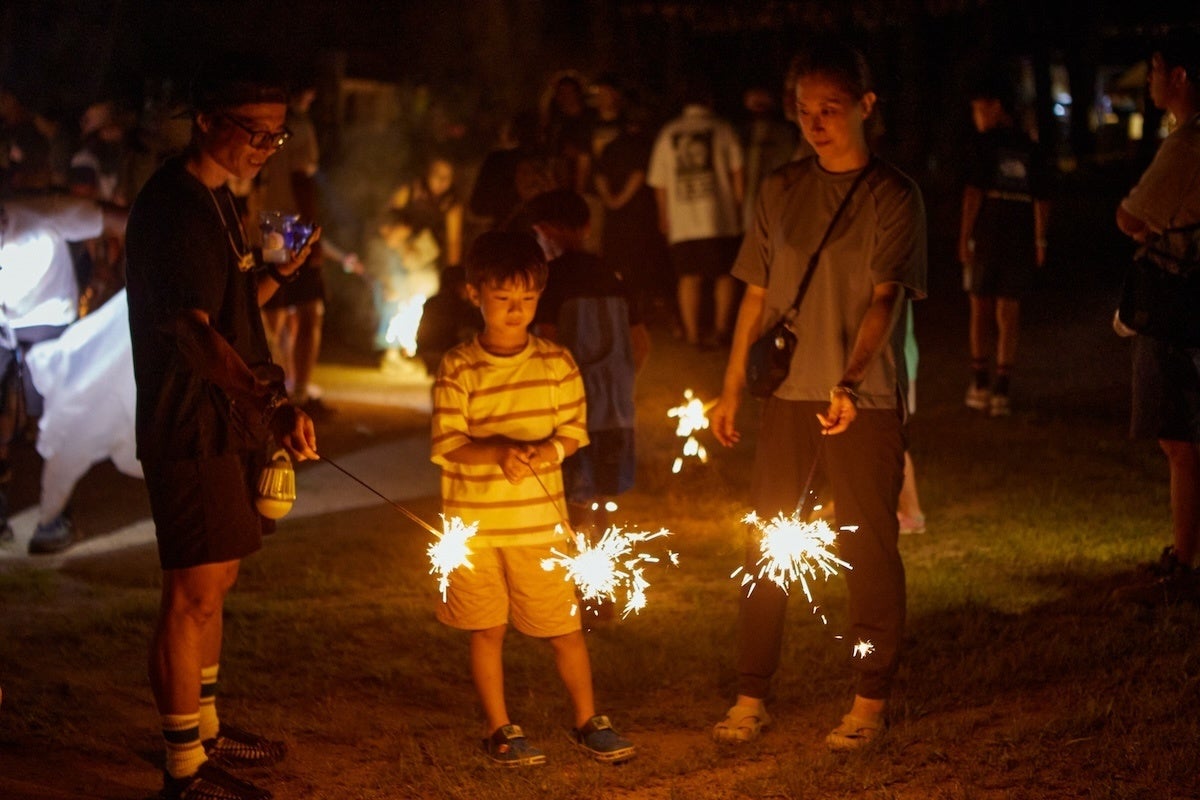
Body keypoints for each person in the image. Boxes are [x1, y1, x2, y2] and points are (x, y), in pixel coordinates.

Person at [709, 40, 926, 751]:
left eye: (831, 108)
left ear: (866, 106)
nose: (816, 123)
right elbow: (757, 294)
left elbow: (885, 297)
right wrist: (731, 388)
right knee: (768, 543)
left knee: (867, 546)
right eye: (805, 110)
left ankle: (869, 699)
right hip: (789, 396)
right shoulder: (781, 189)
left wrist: (851, 380)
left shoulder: (894, 195)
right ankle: (751, 693)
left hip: (864, 400)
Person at [124, 59, 320, 800]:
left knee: (219, 582)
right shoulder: (174, 207)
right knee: (191, 594)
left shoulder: (219, 200)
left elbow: (230, 311)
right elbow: (193, 335)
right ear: (205, 120)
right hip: (190, 424)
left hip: (228, 421)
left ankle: (206, 730)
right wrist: (271, 404)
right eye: (254, 132)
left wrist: (280, 275)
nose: (266, 148)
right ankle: (184, 770)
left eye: (277, 135)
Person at [430, 230, 635, 767]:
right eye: (502, 298)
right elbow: (448, 444)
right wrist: (498, 452)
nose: (516, 309)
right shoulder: (459, 367)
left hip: (539, 527)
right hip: (475, 530)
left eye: (527, 298)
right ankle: (499, 728)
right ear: (474, 294)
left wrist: (546, 451)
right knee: (487, 628)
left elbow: (574, 432)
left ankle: (588, 719)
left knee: (564, 628)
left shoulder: (556, 363)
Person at [1111, 29, 1200, 606]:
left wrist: (1150, 226)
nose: (1150, 80)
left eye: (1156, 69)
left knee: (1179, 436)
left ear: (1181, 76)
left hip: (1177, 304)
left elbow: (1129, 216)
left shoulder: (1187, 145)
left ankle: (1184, 563)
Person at [0, 192, 127, 552]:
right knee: (11, 418)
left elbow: (121, 220)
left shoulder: (43, 211)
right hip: (14, 323)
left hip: (42, 322)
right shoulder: (40, 213)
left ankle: (52, 518)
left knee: (50, 421)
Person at [525, 188, 650, 531]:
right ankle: (601, 556)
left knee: (573, 499)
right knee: (604, 497)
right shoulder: (615, 276)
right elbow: (641, 344)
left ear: (547, 231)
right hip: (616, 411)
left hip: (570, 415)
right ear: (588, 227)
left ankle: (578, 560)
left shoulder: (550, 281)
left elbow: (547, 344)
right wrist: (619, 383)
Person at [958, 75, 1051, 417]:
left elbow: (973, 194)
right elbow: (1042, 198)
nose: (977, 117)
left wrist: (964, 237)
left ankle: (984, 383)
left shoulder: (986, 145)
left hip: (989, 236)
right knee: (1006, 312)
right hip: (1018, 239)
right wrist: (1040, 240)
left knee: (981, 307)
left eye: (979, 109)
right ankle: (998, 388)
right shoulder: (1030, 146)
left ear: (996, 107)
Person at [647, 81, 745, 350]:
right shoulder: (723, 129)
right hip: (720, 219)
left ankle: (692, 334)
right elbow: (738, 172)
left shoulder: (669, 133)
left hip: (683, 221)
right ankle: (721, 330)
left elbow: (659, 184)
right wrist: (738, 208)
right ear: (709, 101)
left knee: (688, 276)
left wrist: (663, 215)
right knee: (724, 275)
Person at [255, 82, 330, 416]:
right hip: (288, 222)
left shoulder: (264, 119)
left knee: (276, 310)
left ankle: (281, 390)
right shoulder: (297, 124)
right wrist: (311, 235)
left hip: (265, 220)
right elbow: (302, 179)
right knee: (307, 309)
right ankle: (295, 394)